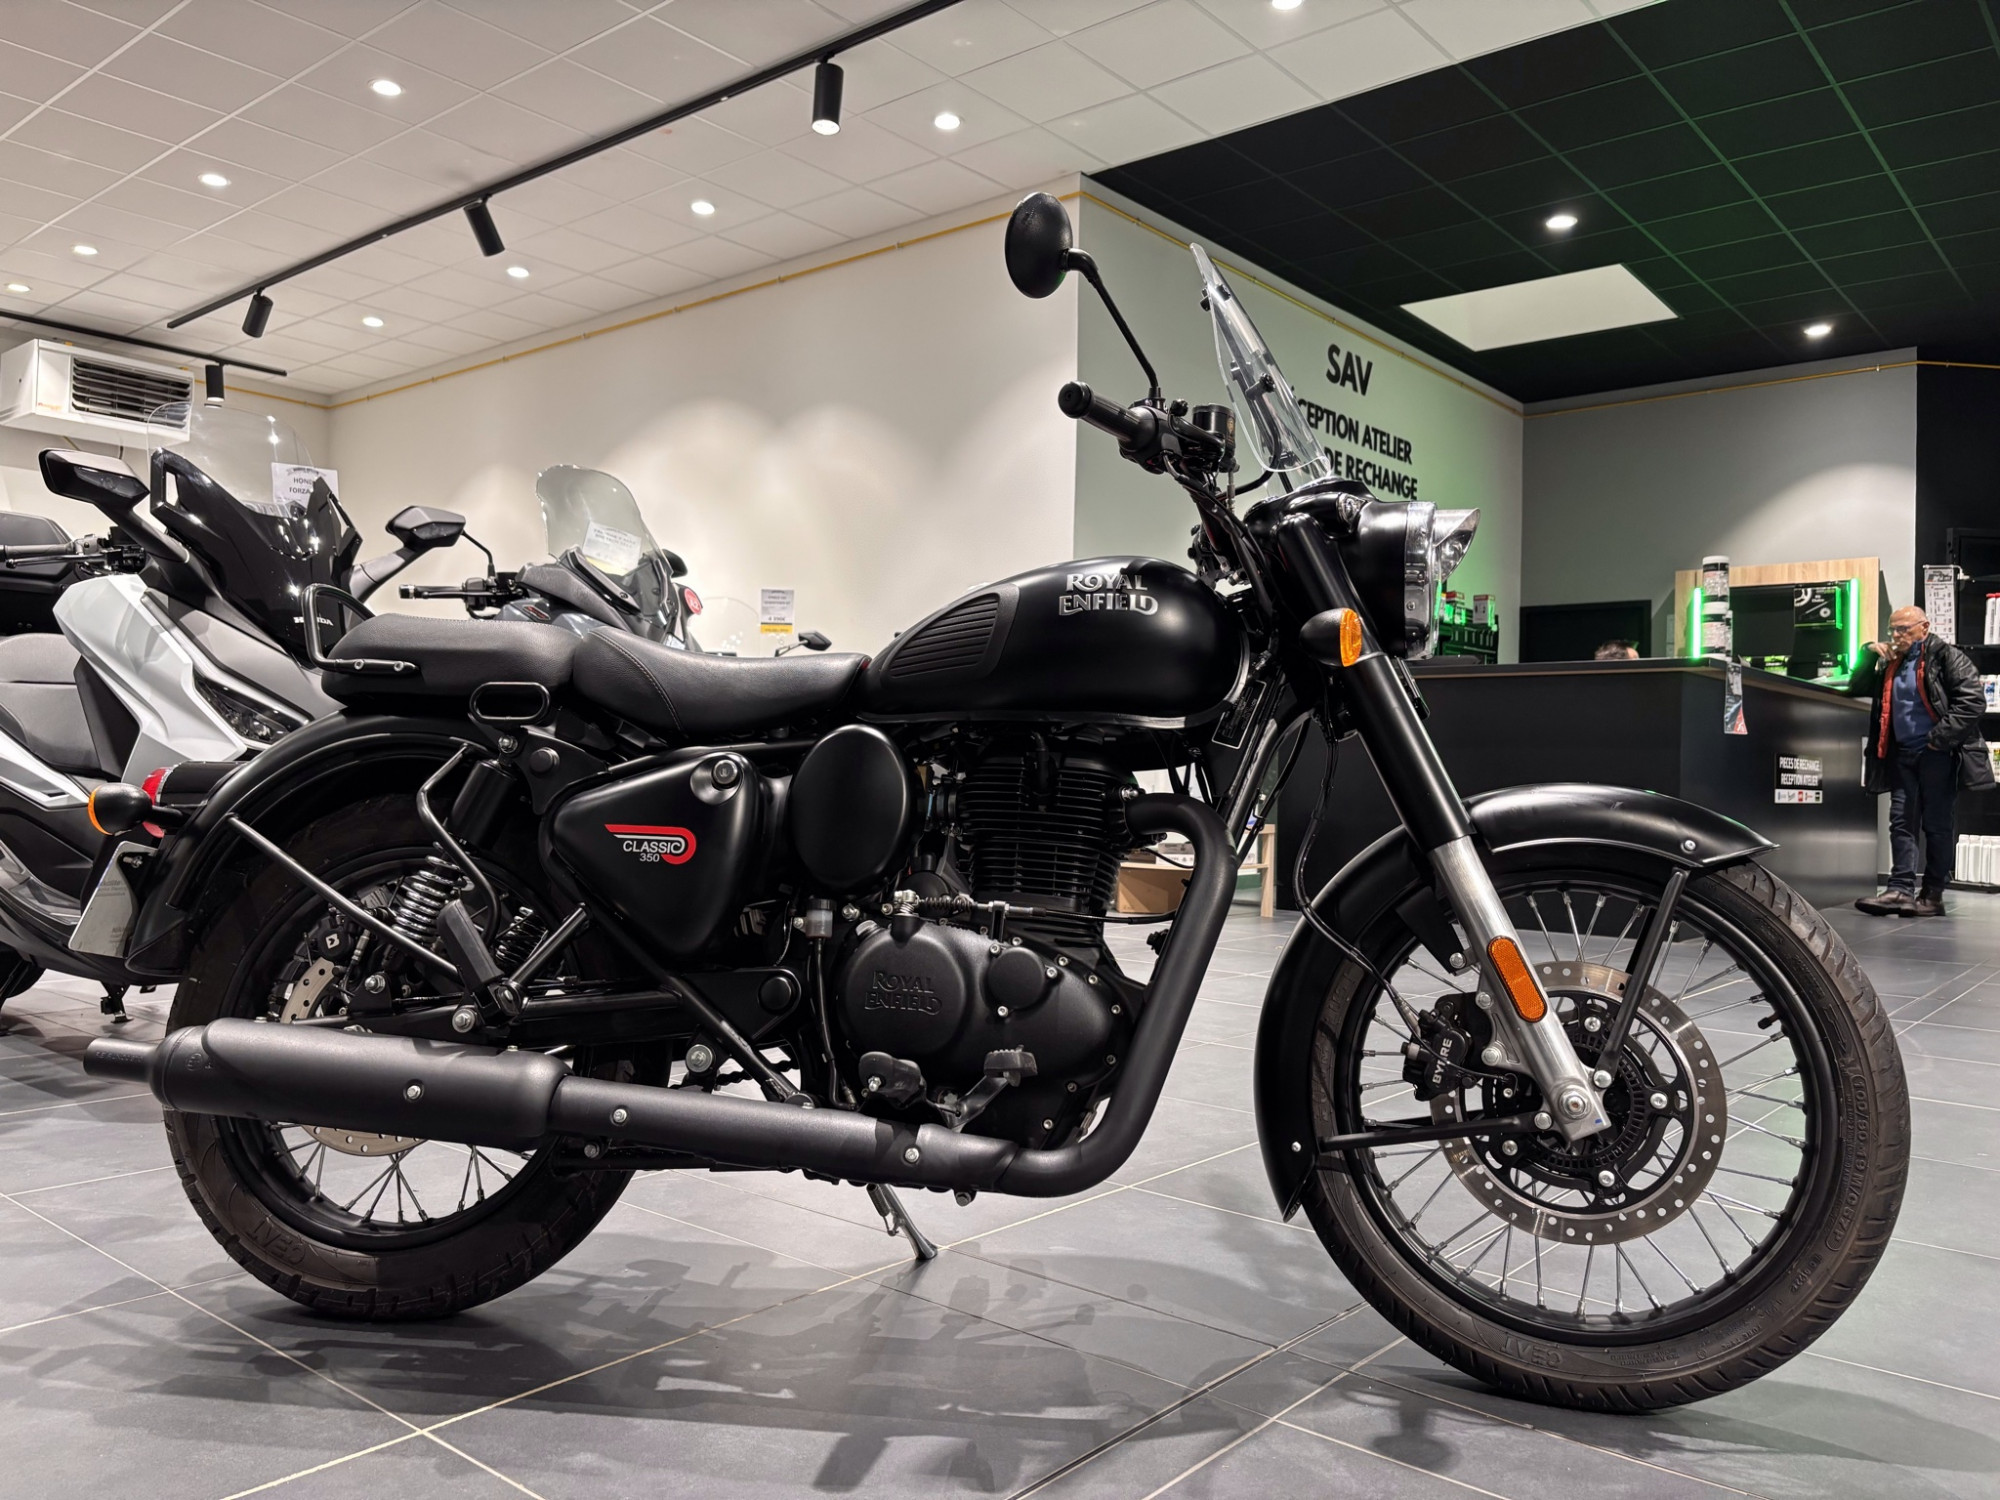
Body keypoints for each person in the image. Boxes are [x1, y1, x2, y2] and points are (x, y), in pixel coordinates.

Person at [1850, 605, 1994, 916]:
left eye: (1903, 629)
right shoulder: (1891, 661)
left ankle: (1932, 896)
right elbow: (1857, 687)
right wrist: (1867, 654)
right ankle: (1900, 890)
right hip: (1902, 754)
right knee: (1901, 821)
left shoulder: (1948, 657)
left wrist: (1937, 740)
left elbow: (1972, 702)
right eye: (1893, 629)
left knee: (1937, 824)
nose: (1896, 635)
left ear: (1924, 628)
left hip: (1937, 755)